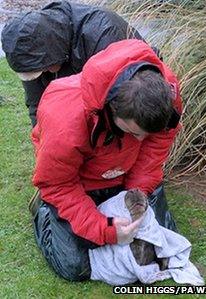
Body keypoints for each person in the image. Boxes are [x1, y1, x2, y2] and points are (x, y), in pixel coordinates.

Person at [30, 39, 182, 281]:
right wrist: (104, 229)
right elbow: (59, 184)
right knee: (75, 267)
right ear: (111, 109)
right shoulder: (65, 121)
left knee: (163, 250)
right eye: (134, 133)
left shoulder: (167, 91)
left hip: (124, 172)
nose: (141, 139)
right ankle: (44, 210)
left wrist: (136, 193)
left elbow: (155, 147)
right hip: (77, 182)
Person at [1, 0, 143, 127]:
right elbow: (37, 104)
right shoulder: (30, 51)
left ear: (54, 50)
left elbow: (117, 105)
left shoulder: (103, 36)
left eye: (44, 68)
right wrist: (43, 142)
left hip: (132, 104)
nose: (44, 72)